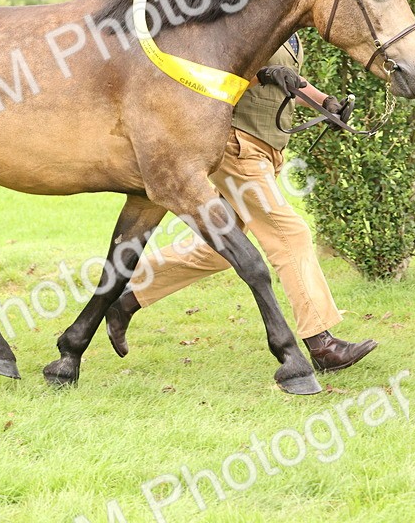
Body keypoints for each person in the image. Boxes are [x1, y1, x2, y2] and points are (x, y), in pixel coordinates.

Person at [105, 32, 378, 372]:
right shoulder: (249, 16)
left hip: (268, 149)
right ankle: (321, 343)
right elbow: (215, 73)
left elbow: (291, 81)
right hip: (238, 146)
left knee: (214, 251)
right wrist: (260, 76)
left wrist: (326, 103)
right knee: (288, 234)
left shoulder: (288, 31)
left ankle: (122, 297)